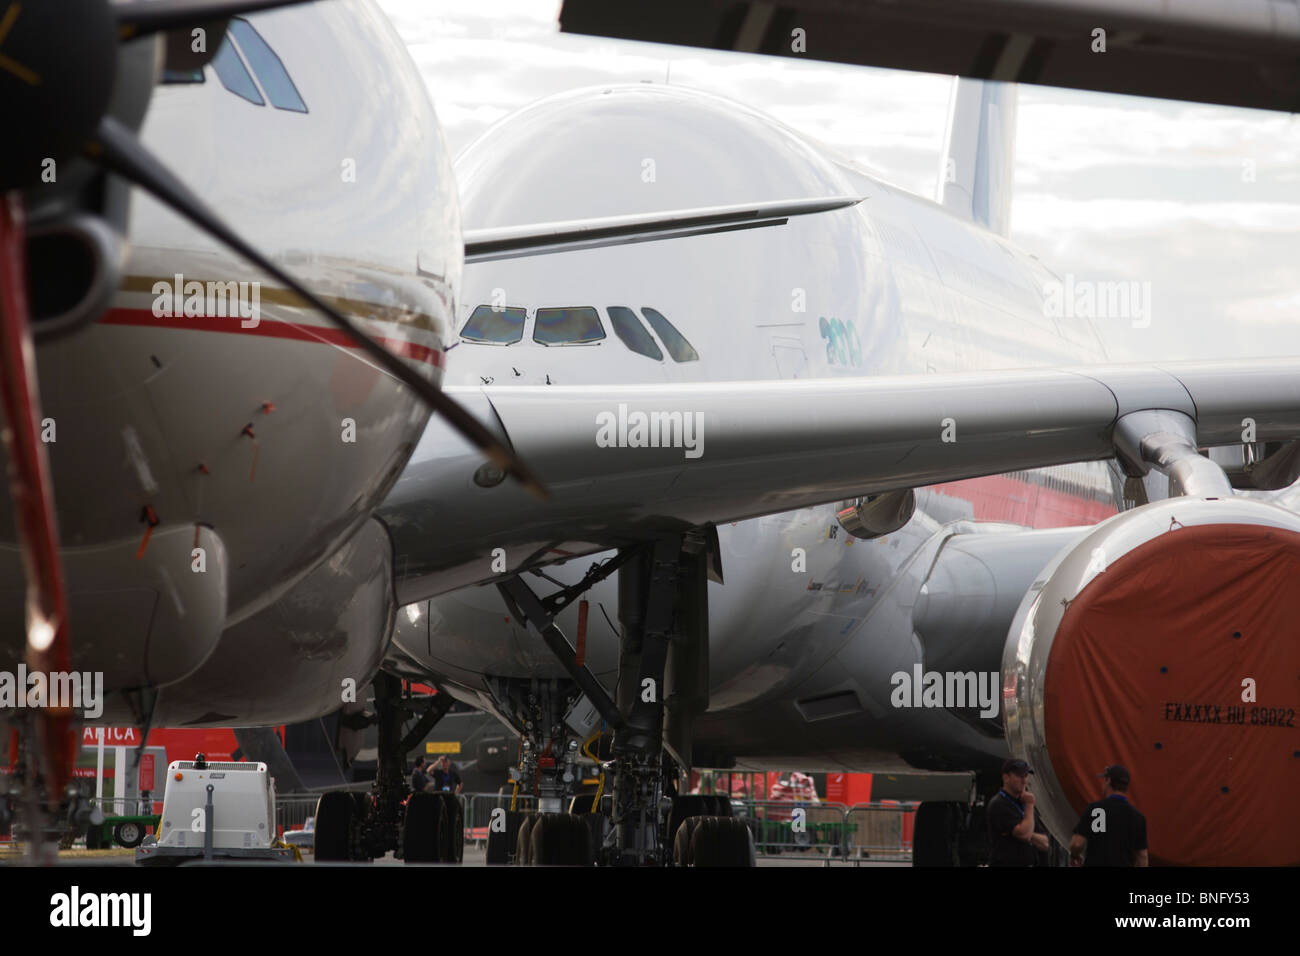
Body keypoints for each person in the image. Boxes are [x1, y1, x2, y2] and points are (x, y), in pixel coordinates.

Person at [1069, 765, 1148, 867]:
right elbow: (1142, 857)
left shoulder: (1095, 810)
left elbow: (1077, 844)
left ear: (1108, 781)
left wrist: (1075, 856)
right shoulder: (1138, 818)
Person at [986, 758, 1051, 866]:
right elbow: (1024, 834)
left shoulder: (1023, 804)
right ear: (1006, 778)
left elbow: (1044, 843)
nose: (1024, 781)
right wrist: (1030, 805)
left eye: (1025, 776)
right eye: (1019, 776)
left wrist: (1028, 832)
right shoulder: (999, 804)